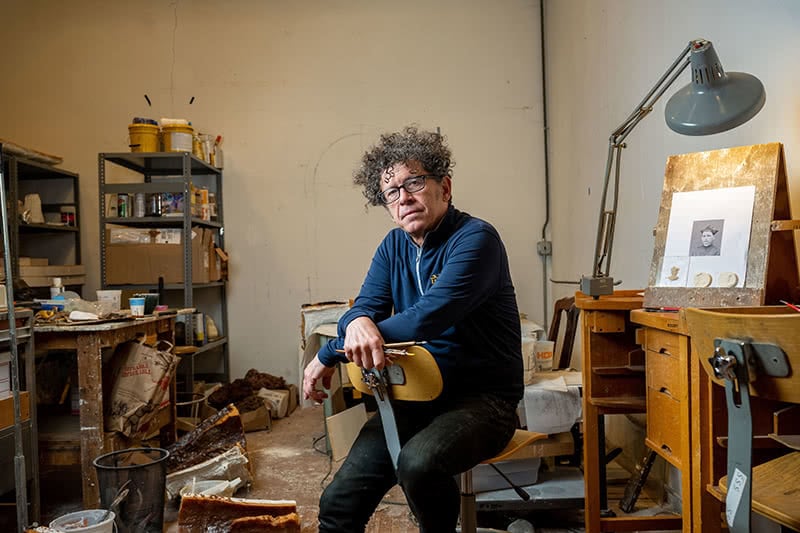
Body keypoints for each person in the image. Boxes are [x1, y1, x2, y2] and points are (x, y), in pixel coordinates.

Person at [302, 126, 523, 532]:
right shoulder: (393, 246)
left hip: (484, 403)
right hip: (414, 397)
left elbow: (427, 317)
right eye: (391, 192)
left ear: (445, 187)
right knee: (339, 501)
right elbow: (362, 307)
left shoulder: (476, 240)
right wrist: (357, 322)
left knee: (418, 464)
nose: (403, 198)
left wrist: (328, 352)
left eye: (414, 183)